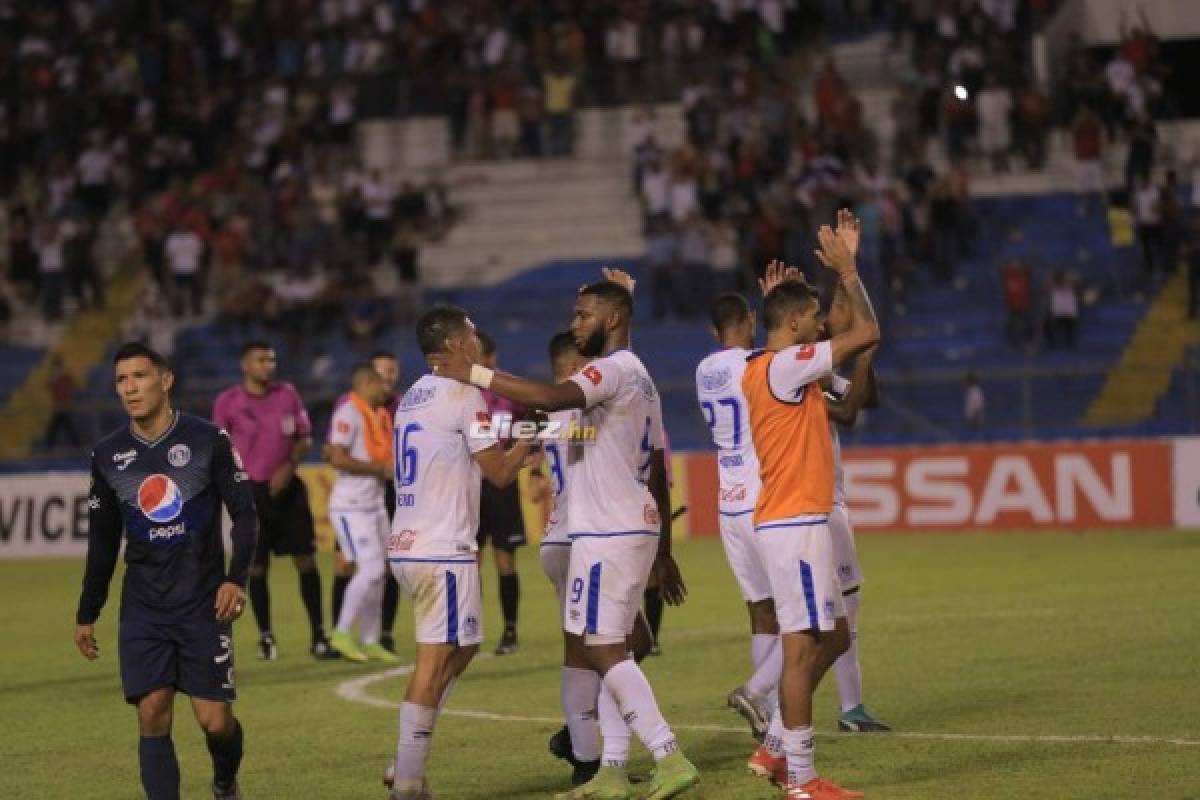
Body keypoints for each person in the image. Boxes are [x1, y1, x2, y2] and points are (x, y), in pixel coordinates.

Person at [429, 277, 699, 800]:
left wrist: (477, 373)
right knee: (611, 647)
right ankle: (611, 770)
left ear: (613, 319)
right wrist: (664, 546)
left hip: (601, 530)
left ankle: (668, 755)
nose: (574, 325)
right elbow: (654, 465)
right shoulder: (638, 377)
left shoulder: (600, 378)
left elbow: (553, 399)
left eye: (582, 315)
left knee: (601, 650)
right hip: (624, 525)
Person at [74, 342, 257, 800]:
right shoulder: (108, 454)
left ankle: (224, 779)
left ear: (166, 379)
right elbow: (101, 541)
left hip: (202, 600)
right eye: (121, 380)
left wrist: (236, 578)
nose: (130, 388)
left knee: (215, 723)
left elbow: (246, 514)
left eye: (139, 376)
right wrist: (87, 610)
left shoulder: (207, 440)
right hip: (144, 606)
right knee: (152, 712)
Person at [742, 213, 879, 799]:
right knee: (800, 651)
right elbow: (867, 332)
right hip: (794, 522)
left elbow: (857, 388)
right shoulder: (786, 366)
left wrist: (802, 297)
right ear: (795, 324)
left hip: (800, 520)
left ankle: (776, 746)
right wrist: (848, 270)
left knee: (835, 636)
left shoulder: (767, 368)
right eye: (813, 322)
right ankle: (800, 779)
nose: (819, 329)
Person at [383, 306, 533, 800]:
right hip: (441, 547)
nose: (478, 347)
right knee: (432, 663)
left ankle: (406, 755)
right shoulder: (466, 393)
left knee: (464, 646)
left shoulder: (411, 396)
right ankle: (406, 781)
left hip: (408, 543)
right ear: (452, 346)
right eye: (470, 337)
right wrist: (529, 438)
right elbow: (498, 472)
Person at [213, 341, 335, 661]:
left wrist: (288, 466)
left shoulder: (288, 394)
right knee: (255, 568)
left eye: (271, 359)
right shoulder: (228, 402)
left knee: (305, 560)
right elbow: (218, 449)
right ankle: (266, 637)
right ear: (244, 364)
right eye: (260, 359)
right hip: (249, 494)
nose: (268, 365)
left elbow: (305, 437)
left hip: (289, 489)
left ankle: (319, 635)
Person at [822, 282, 890, 735]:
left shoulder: (810, 374)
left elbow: (869, 398)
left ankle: (852, 707)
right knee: (835, 615)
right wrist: (866, 352)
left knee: (794, 616)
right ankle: (760, 694)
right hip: (818, 507)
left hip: (805, 507)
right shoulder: (801, 377)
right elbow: (848, 413)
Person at [537, 331, 604, 787]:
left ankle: (580, 738)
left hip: (558, 540)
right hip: (584, 540)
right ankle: (587, 758)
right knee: (607, 649)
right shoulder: (581, 411)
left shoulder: (545, 418)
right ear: (570, 368)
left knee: (602, 647)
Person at [325, 363, 398, 663]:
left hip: (375, 504)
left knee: (380, 574)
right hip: (350, 507)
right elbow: (338, 458)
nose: (388, 390)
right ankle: (341, 633)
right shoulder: (348, 414)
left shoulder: (379, 416)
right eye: (383, 384)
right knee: (371, 570)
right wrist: (379, 470)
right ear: (367, 383)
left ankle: (369, 639)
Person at [474, 331, 528, 655]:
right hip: (469, 488)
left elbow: (533, 425)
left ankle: (510, 631)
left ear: (491, 358)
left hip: (503, 486)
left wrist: (533, 466)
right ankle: (472, 630)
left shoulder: (511, 392)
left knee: (505, 560)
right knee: (471, 562)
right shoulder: (461, 395)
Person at [45, 353, 83, 448]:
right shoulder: (55, 376)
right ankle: (77, 444)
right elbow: (48, 386)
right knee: (63, 425)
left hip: (63, 405)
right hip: (59, 405)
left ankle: (49, 445)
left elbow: (72, 387)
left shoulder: (64, 376)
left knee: (59, 426)